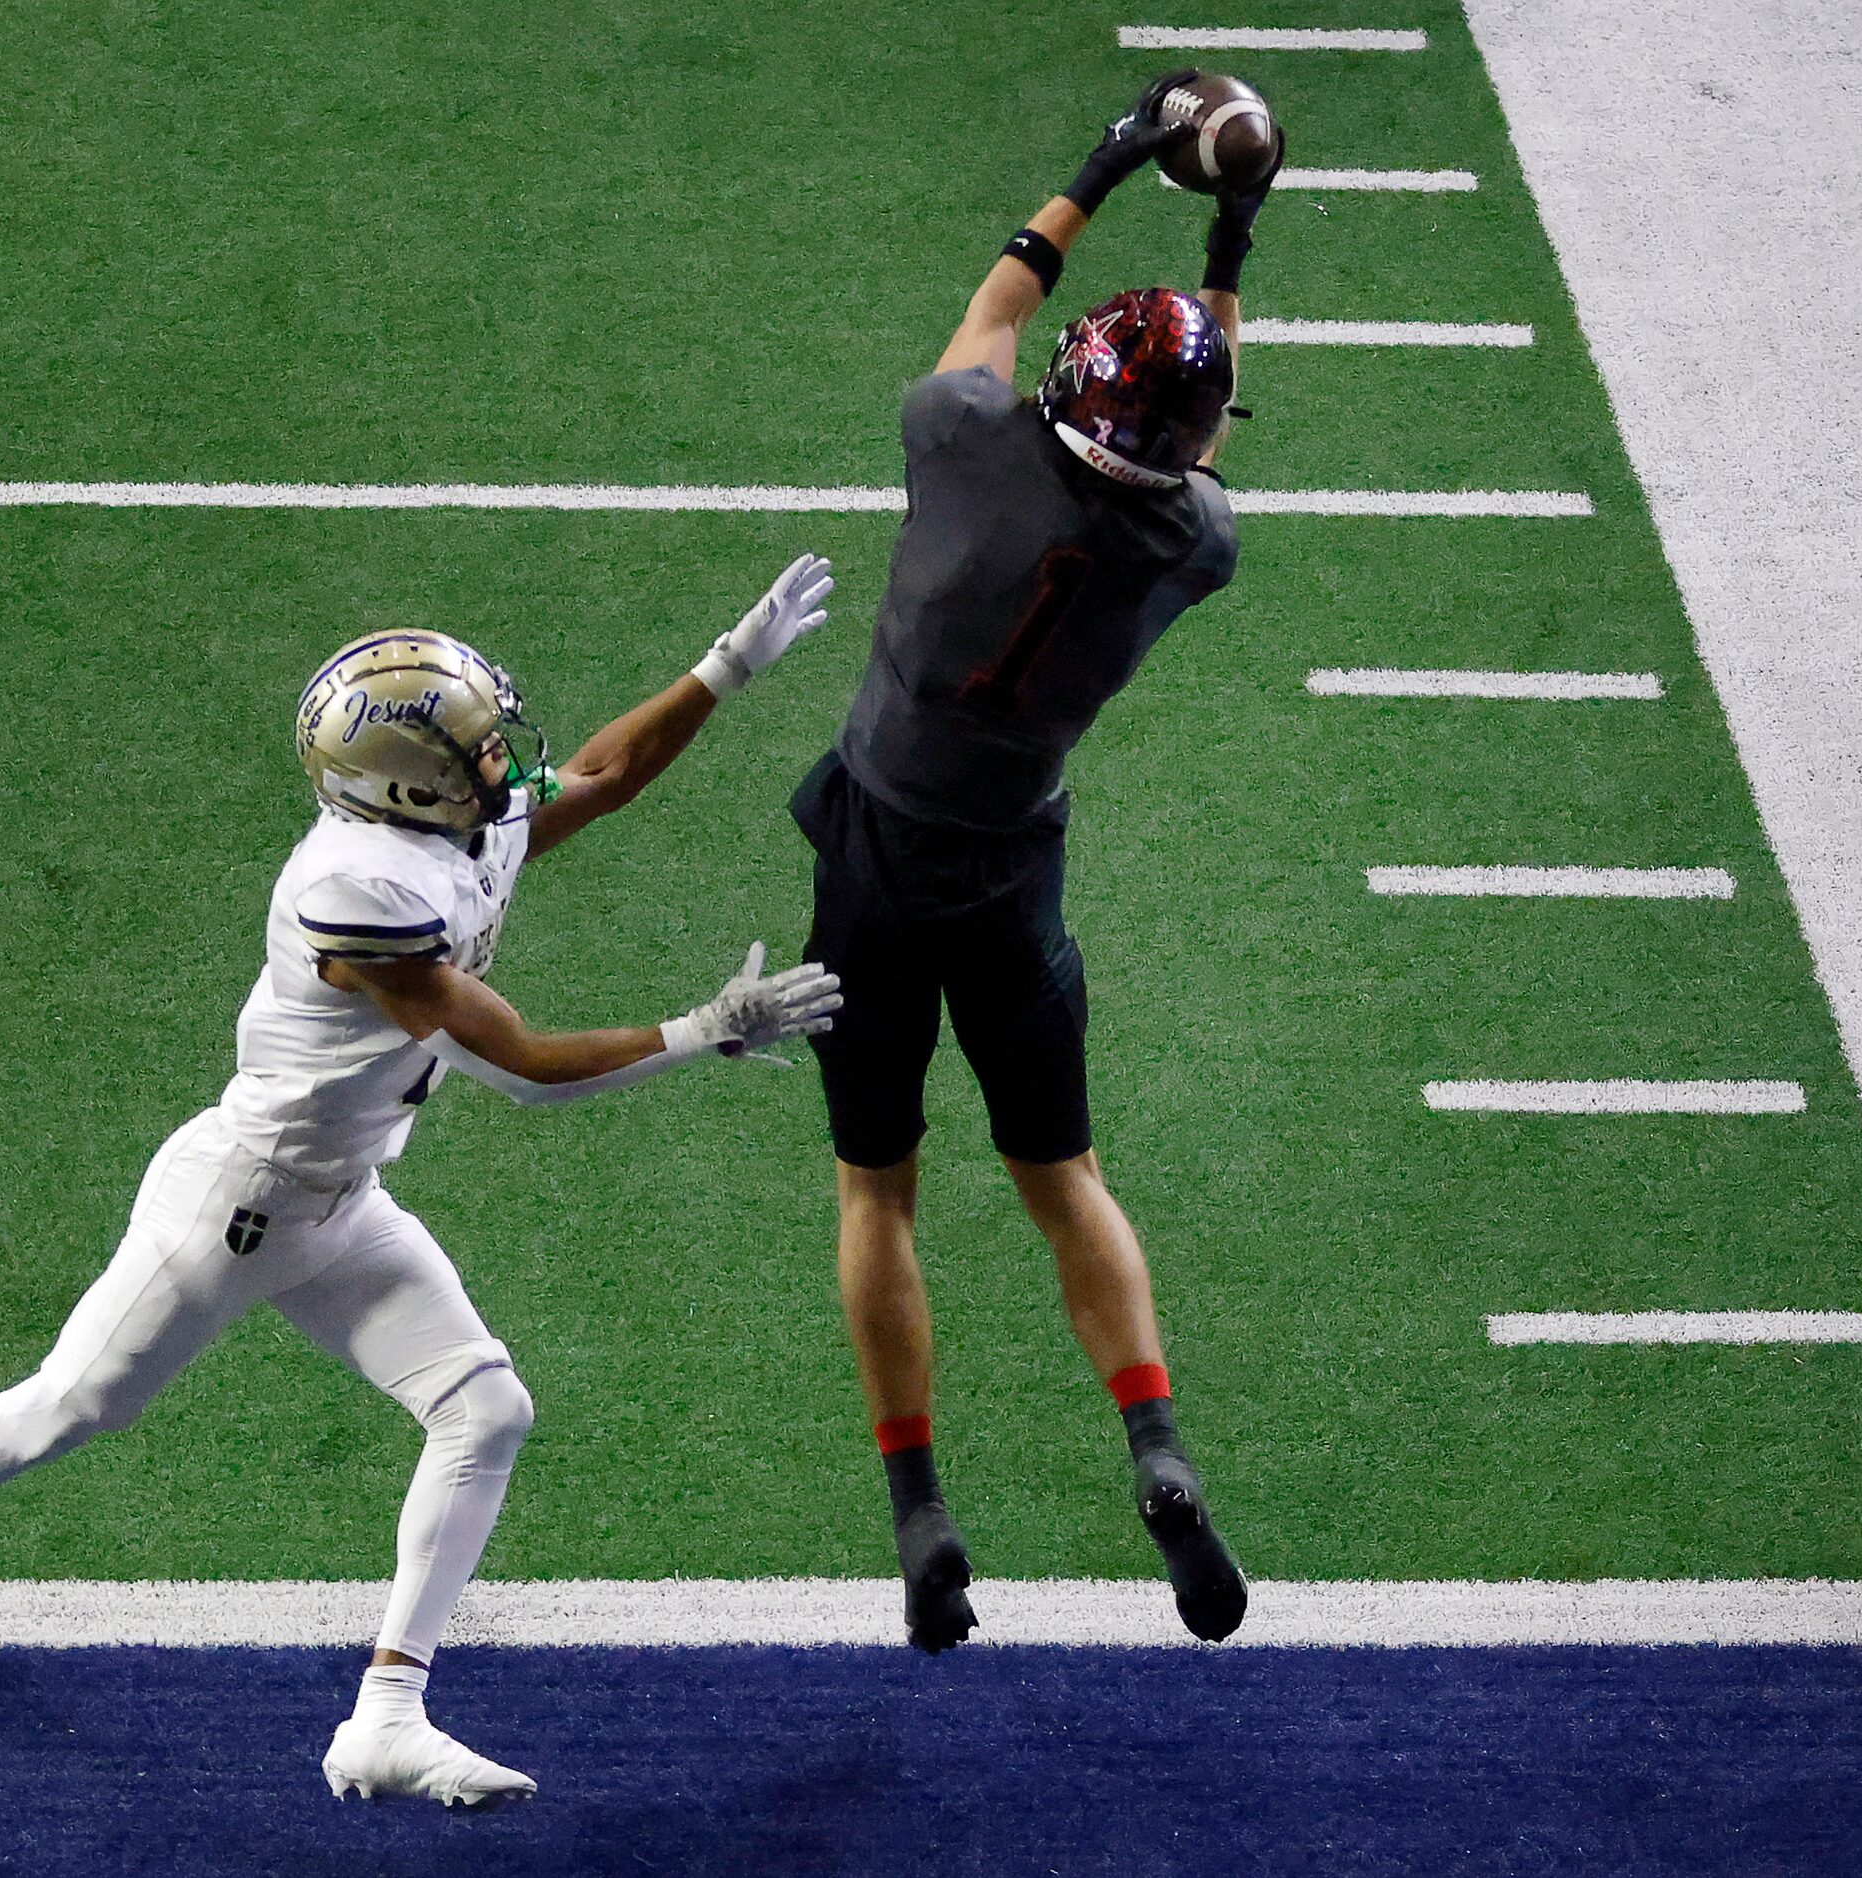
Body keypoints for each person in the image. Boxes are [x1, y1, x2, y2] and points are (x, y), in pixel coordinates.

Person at [0, 556, 844, 1808]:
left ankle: (385, 1714)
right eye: (469, 750)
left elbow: (598, 776)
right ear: (406, 786)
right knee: (61, 1412)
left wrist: (723, 670)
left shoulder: (433, 824)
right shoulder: (360, 889)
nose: (496, 764)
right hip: (237, 1206)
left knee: (485, 1410)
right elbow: (520, 1069)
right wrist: (700, 1032)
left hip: (344, 1199)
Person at [793, 76, 1278, 1651]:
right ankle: (1153, 1446)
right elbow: (1195, 426)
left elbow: (1000, 301)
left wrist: (1110, 159)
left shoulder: (959, 442)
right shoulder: (1190, 546)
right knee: (1062, 1178)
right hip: (1012, 877)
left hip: (874, 855)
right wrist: (1233, 230)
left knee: (880, 1187)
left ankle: (922, 1504)